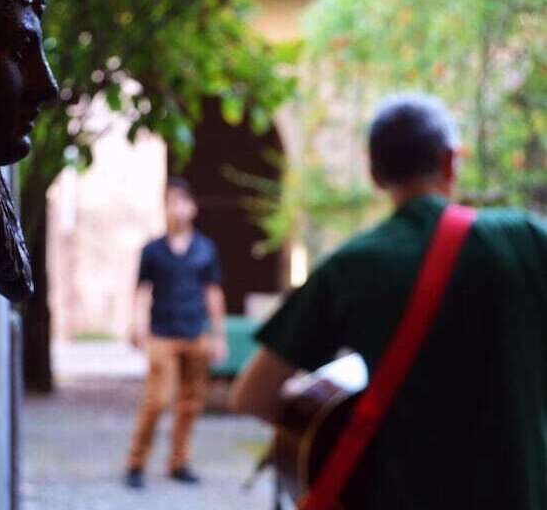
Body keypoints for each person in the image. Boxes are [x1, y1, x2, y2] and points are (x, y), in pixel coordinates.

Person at [230, 94, 546, 509]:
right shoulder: (526, 238)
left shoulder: (351, 267)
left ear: (375, 175)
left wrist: (332, 428)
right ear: (450, 161)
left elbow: (251, 396)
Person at [124, 177, 229, 489]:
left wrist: (218, 335)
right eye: (170, 201)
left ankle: (179, 461)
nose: (177, 208)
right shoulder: (153, 250)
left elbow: (213, 292)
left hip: (195, 333)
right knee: (157, 400)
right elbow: (142, 289)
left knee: (190, 404)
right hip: (161, 334)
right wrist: (136, 323)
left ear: (193, 207)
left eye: (182, 201)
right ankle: (136, 462)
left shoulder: (205, 249)